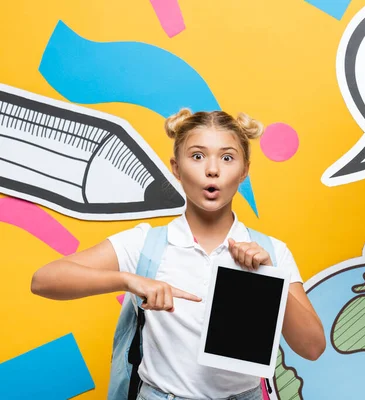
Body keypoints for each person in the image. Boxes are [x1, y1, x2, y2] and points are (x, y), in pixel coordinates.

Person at [31, 109, 326, 400]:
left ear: (245, 170)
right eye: (197, 156)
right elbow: (43, 280)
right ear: (176, 167)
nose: (212, 169)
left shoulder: (271, 252)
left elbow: (312, 348)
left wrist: (269, 277)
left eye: (227, 157)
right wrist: (129, 280)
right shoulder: (146, 244)